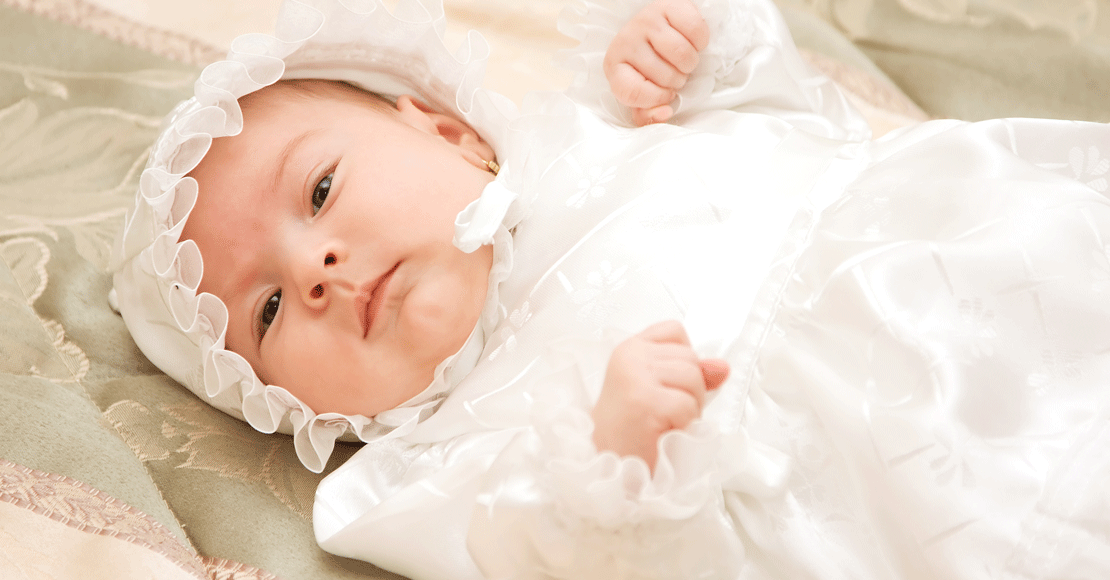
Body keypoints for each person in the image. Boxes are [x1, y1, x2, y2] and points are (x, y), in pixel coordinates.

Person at [110, 0, 1110, 578]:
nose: (315, 271)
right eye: (268, 311)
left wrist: (685, 46)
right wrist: (609, 463)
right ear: (287, 406)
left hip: (965, 267)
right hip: (871, 489)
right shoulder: (421, 472)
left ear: (446, 130)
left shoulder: (607, 126)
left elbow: (792, 112)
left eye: (322, 191)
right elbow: (532, 554)